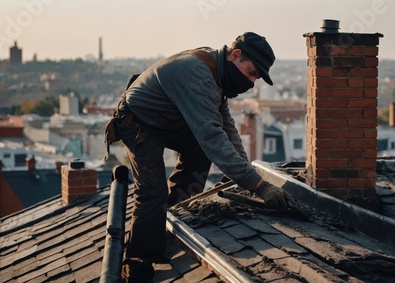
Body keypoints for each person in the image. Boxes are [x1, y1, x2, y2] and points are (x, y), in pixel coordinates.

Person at [109, 32, 292, 282]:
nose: (251, 83)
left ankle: (169, 219)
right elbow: (212, 137)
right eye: (251, 73)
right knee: (152, 191)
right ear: (236, 55)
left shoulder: (217, 77)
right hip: (138, 122)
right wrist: (259, 186)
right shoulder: (197, 73)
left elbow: (227, 131)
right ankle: (138, 258)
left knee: (200, 149)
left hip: (167, 121)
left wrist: (248, 177)